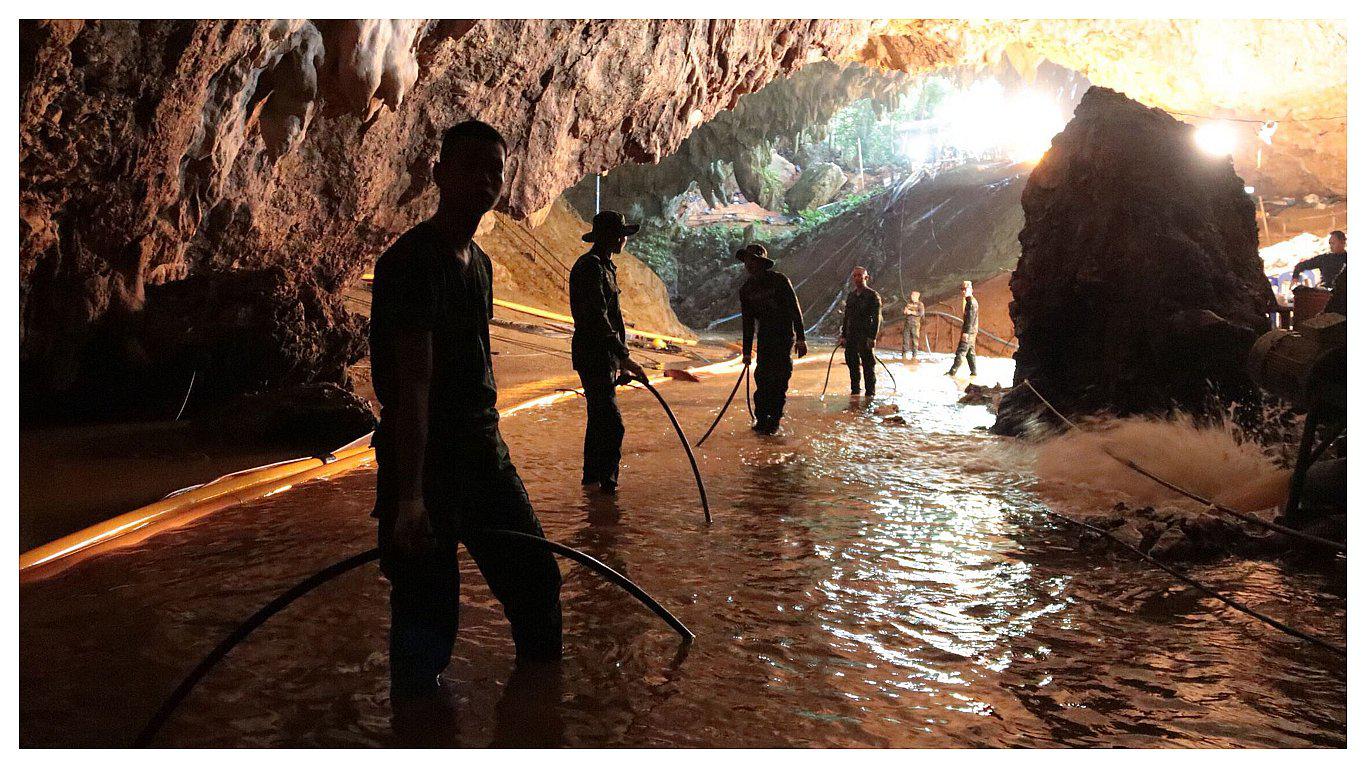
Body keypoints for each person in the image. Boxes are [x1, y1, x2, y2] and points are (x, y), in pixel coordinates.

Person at [368, 120, 563, 722]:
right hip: (426, 464)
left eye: (495, 172)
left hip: (484, 455)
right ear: (438, 175)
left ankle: (538, 725)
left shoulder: (479, 263)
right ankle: (417, 733)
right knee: (428, 624)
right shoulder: (411, 262)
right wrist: (408, 502)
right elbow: (413, 387)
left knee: (537, 583)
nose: (484, 182)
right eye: (471, 168)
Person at [570, 210, 648, 494]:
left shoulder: (604, 266)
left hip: (603, 355)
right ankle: (607, 488)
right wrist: (625, 356)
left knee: (599, 419)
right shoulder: (590, 267)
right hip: (593, 355)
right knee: (612, 424)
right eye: (620, 235)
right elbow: (597, 319)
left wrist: (620, 360)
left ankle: (592, 484)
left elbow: (611, 319)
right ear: (611, 237)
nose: (624, 240)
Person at [738, 244, 807, 434]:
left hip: (784, 337)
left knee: (779, 379)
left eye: (752, 260)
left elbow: (795, 309)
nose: (748, 264)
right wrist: (746, 352)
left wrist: (801, 338)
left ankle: (774, 420)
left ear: (761, 262)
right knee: (762, 378)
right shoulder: (746, 290)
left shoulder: (779, 280)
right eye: (746, 261)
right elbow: (748, 323)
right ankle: (761, 419)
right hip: (765, 338)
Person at [839, 266, 882, 396]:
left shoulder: (872, 296)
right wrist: (843, 336)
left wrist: (872, 337)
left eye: (860, 275)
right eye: (855, 276)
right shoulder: (851, 296)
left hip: (865, 336)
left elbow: (877, 318)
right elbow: (847, 317)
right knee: (852, 363)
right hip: (852, 336)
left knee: (868, 366)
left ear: (866, 277)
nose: (857, 278)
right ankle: (855, 392)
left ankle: (870, 394)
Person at [946, 280, 979, 378]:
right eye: (962, 289)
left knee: (961, 351)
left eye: (966, 289)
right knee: (970, 353)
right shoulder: (970, 301)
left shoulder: (971, 303)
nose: (963, 291)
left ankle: (952, 372)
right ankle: (974, 372)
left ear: (971, 290)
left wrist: (966, 333)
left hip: (969, 332)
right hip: (972, 332)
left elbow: (970, 319)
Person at [901, 290, 925, 359]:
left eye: (913, 295)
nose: (911, 296)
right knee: (905, 339)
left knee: (915, 340)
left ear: (917, 296)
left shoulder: (920, 304)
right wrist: (905, 311)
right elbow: (905, 311)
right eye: (911, 295)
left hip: (915, 324)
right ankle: (904, 354)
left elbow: (921, 313)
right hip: (907, 324)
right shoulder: (909, 303)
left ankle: (914, 355)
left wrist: (911, 312)